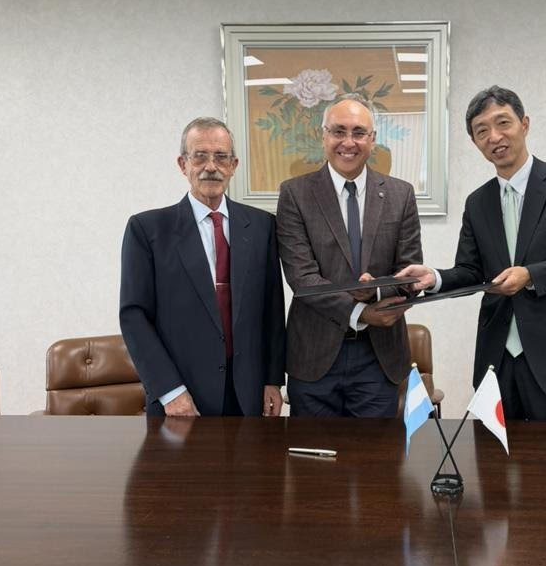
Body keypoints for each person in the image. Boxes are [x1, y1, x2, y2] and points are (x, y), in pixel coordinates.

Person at [397, 86, 546, 421]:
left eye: (503, 123)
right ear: (475, 142)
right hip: (497, 356)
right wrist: (433, 277)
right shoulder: (477, 202)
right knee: (494, 452)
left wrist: (531, 275)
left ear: (524, 124)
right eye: (482, 131)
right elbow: (471, 271)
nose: (494, 137)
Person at [119, 117, 285, 416]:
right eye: (200, 156)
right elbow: (134, 317)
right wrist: (170, 391)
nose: (211, 166)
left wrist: (272, 379)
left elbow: (272, 309)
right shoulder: (147, 229)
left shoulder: (262, 226)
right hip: (181, 398)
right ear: (183, 164)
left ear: (233, 165)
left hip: (248, 394)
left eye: (221, 157)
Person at [276, 95, 422, 417]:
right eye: (338, 131)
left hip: (379, 357)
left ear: (372, 139)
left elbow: (409, 274)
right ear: (323, 135)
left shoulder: (401, 194)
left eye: (359, 132)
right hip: (314, 355)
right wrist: (361, 312)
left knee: (374, 451)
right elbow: (302, 278)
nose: (348, 142)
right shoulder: (294, 194)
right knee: (311, 450)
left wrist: (377, 291)